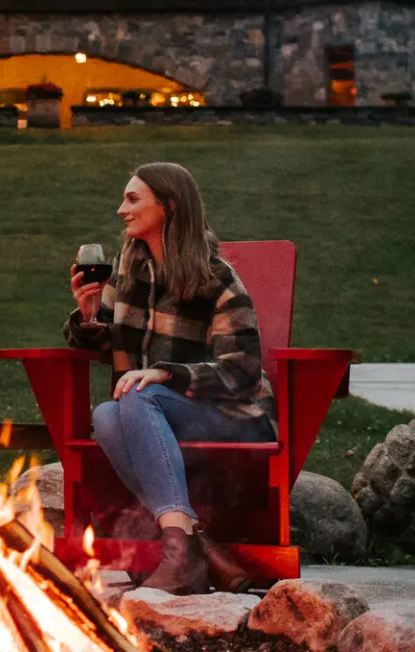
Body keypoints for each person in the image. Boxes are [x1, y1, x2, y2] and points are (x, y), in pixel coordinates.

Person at [66, 161, 274, 594]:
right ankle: (194, 548)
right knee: (106, 415)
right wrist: (87, 317)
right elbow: (106, 342)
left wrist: (166, 374)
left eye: (133, 199)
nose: (121, 209)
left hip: (232, 416)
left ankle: (180, 557)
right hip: (153, 411)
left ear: (169, 206)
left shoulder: (216, 278)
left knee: (139, 395)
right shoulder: (129, 266)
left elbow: (242, 369)